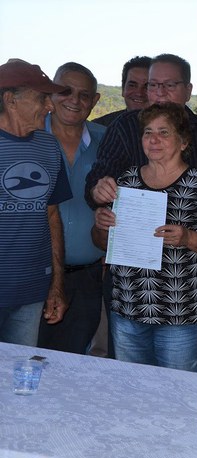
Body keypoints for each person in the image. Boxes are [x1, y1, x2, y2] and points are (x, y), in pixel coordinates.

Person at [92, 103, 197, 372]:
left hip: (182, 316)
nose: (153, 139)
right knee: (133, 392)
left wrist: (190, 238)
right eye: (148, 132)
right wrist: (101, 226)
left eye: (164, 132)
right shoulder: (125, 182)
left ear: (183, 142)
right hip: (127, 311)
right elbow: (102, 243)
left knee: (177, 396)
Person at [87, 53, 197, 208]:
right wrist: (98, 192)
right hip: (136, 227)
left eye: (169, 85)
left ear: (188, 90)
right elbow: (95, 183)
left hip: (193, 230)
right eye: (153, 85)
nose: (160, 92)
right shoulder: (125, 126)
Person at [0, 59, 71, 346]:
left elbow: (52, 216)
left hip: (31, 293)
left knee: (19, 382)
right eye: (42, 97)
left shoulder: (49, 146)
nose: (51, 106)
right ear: (10, 100)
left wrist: (56, 285)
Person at [37, 62, 106, 354]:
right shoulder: (29, 136)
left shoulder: (107, 140)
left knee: (74, 361)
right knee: (24, 357)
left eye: (84, 95)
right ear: (51, 95)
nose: (74, 101)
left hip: (89, 276)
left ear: (95, 101)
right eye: (66, 91)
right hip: (32, 275)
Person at [93, 56, 150, 127]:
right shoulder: (99, 128)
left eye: (146, 86)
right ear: (123, 89)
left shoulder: (167, 126)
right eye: (132, 85)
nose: (139, 93)